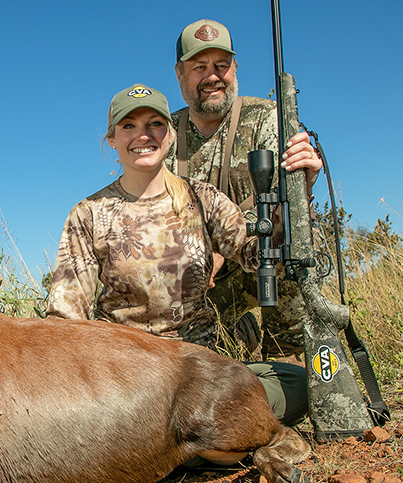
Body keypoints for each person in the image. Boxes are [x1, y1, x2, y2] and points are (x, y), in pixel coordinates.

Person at [46, 83, 306, 426]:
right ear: (112, 140)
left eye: (154, 124)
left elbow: (255, 253)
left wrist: (298, 186)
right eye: (129, 126)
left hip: (199, 370)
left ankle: (180, 435)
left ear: (170, 135)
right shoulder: (88, 214)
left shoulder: (202, 198)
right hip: (125, 375)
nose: (143, 135)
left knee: (298, 384)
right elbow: (65, 320)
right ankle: (199, 435)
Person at [167, 19, 324, 359]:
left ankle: (290, 355)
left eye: (221, 65)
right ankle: (238, 336)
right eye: (199, 67)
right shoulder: (163, 133)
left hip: (257, 260)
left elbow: (285, 205)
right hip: (196, 278)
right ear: (180, 75)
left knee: (295, 239)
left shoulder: (267, 117)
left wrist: (304, 182)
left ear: (235, 68)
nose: (212, 76)